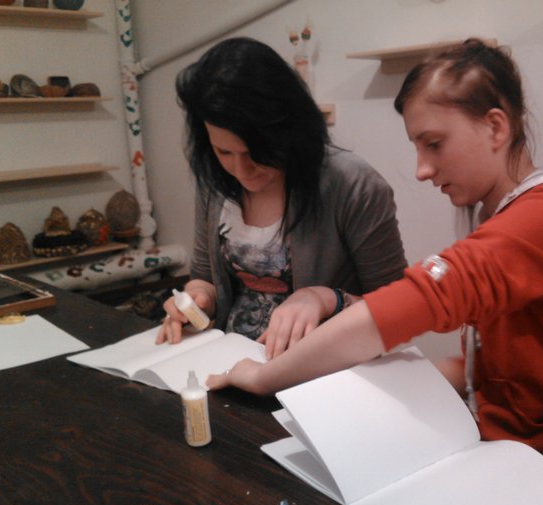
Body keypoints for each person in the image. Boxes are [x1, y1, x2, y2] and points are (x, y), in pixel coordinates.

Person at [207, 38, 543, 488]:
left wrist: (264, 377)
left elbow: (411, 303)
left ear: (496, 127)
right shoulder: (510, 215)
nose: (421, 169)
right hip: (524, 461)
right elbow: (493, 371)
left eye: (434, 144)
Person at [156, 37, 407, 358]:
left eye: (256, 152)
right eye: (224, 152)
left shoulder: (352, 185)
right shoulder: (217, 182)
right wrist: (195, 300)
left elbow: (399, 307)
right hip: (230, 359)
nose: (241, 170)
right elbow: (205, 278)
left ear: (288, 129)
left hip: (323, 368)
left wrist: (328, 299)